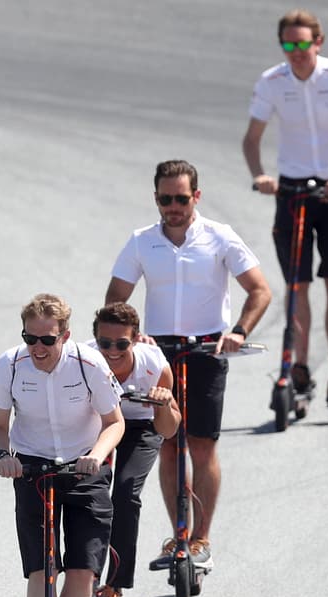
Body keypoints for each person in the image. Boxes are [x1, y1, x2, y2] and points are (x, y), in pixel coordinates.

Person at [106, 159, 272, 572]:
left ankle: (201, 537)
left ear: (196, 196)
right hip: (159, 354)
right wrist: (133, 334)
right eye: (166, 199)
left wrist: (237, 331)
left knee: (201, 445)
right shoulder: (142, 241)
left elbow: (260, 290)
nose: (174, 206)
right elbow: (116, 301)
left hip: (206, 353)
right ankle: (178, 533)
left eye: (182, 198)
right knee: (167, 446)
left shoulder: (220, 237)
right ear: (156, 198)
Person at [0, 293, 124, 597]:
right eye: (31, 339)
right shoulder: (9, 365)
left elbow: (113, 422)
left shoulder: (88, 364)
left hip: (83, 468)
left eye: (47, 340)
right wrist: (2, 455)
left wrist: (96, 456)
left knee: (82, 569)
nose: (38, 349)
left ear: (65, 335)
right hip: (32, 470)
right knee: (42, 572)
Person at [241, 8, 328, 409]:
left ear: (318, 42)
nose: (295, 52)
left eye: (302, 44)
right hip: (293, 191)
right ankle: (298, 366)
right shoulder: (272, 81)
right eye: (288, 44)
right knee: (297, 286)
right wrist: (261, 175)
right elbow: (252, 139)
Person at [87, 302, 181, 597]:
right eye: (105, 343)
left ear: (137, 339)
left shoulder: (154, 364)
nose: (112, 351)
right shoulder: (83, 361)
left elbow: (169, 430)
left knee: (125, 493)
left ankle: (114, 585)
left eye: (122, 344)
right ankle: (84, 579)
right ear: (95, 340)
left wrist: (164, 405)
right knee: (88, 496)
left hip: (141, 426)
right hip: (98, 426)